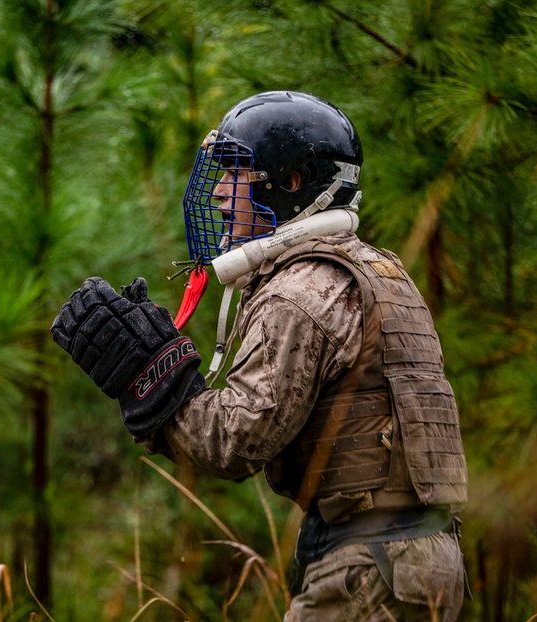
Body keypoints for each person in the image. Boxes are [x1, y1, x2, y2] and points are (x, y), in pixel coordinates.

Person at [51, 91, 468, 621]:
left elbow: (237, 440)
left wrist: (148, 378)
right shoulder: (379, 270)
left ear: (290, 183)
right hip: (420, 561)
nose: (220, 194)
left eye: (235, 174)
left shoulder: (299, 290)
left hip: (368, 569)